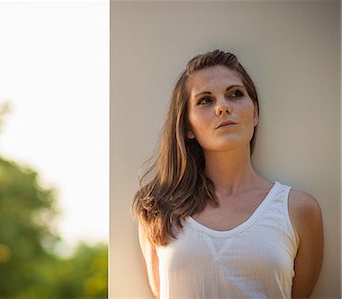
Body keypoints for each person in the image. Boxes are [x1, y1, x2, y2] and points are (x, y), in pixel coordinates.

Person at [132, 49, 324, 299]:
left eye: (235, 94)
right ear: (188, 126)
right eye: (205, 100)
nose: (222, 107)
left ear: (255, 113)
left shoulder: (299, 210)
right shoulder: (156, 209)